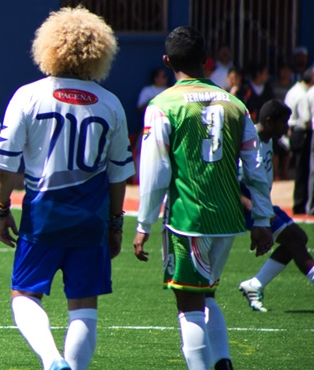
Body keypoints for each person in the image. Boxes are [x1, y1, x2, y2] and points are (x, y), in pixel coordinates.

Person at [0, 8, 131, 370]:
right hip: (91, 219)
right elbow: (119, 175)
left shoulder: (28, 96)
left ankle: (52, 359)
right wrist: (116, 224)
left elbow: (4, 163)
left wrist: (0, 208)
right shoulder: (111, 103)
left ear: (49, 45)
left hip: (44, 216)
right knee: (84, 306)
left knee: (24, 295)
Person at [133, 26, 274, 370]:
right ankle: (222, 362)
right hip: (228, 219)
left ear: (167, 61)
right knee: (207, 293)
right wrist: (262, 219)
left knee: (189, 303)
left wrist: (143, 223)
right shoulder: (236, 104)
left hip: (189, 219)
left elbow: (155, 171)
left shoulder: (162, 104)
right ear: (206, 59)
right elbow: (256, 168)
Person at [237, 100, 314, 312]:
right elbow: (231, 182)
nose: (286, 127)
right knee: (294, 239)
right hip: (248, 205)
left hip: (262, 203)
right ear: (269, 122)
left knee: (299, 237)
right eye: (283, 123)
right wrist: (255, 209)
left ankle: (255, 285)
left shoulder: (268, 139)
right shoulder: (248, 140)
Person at [134, 68, 171, 183]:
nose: (163, 79)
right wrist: (153, 100)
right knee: (142, 150)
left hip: (164, 129)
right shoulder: (147, 90)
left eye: (165, 76)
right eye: (161, 76)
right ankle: (139, 179)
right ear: (155, 78)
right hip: (148, 128)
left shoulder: (168, 91)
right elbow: (140, 108)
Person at [286, 69, 313, 214]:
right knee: (302, 170)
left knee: (298, 169)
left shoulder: (293, 90)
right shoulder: (303, 94)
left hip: (293, 131)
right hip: (301, 133)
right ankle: (300, 204)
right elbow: (306, 119)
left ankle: (299, 203)